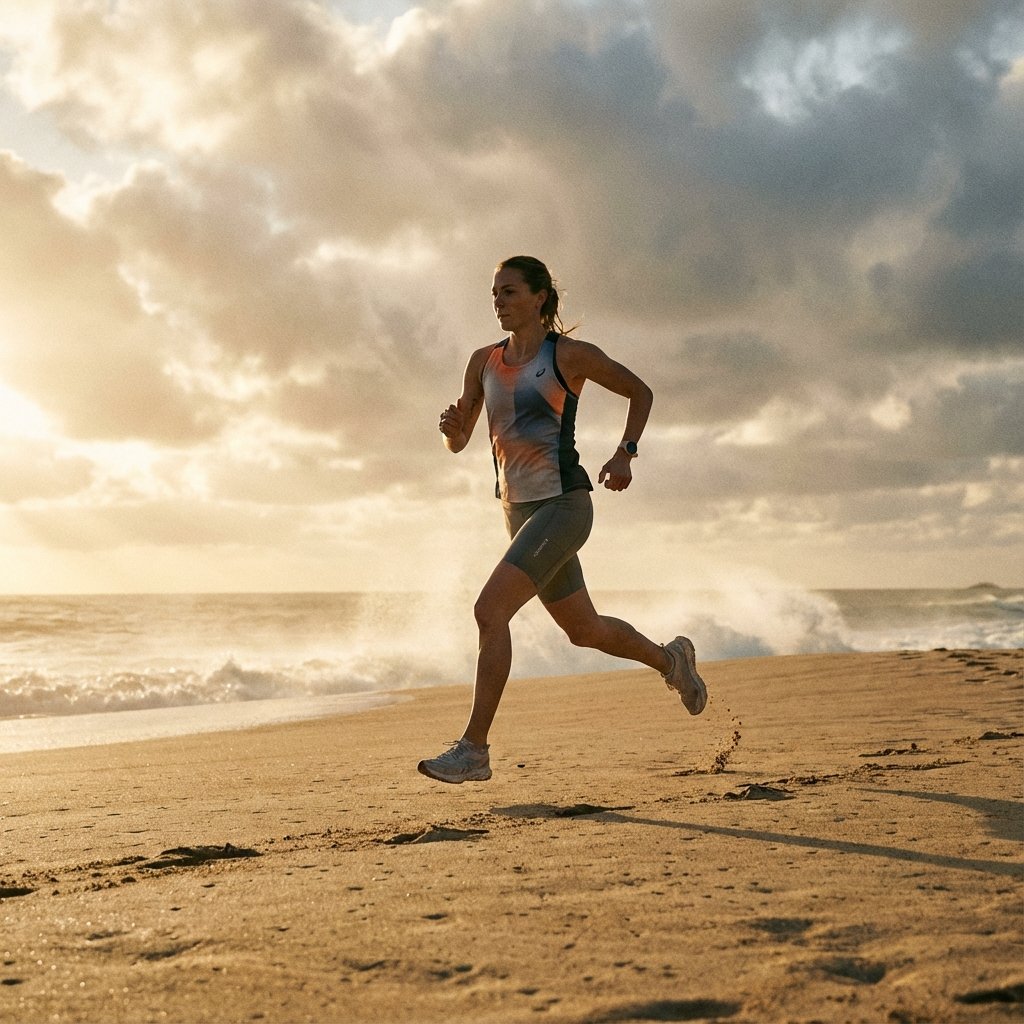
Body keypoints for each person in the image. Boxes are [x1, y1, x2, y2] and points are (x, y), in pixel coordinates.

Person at [417, 255, 707, 784]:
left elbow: (640, 392)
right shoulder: (483, 361)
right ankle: (672, 661)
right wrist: (450, 428)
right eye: (494, 293)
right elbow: (458, 442)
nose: (498, 302)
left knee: (489, 611)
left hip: (564, 506)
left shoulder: (569, 356)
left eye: (508, 292)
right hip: (517, 512)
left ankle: (474, 750)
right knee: (584, 630)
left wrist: (626, 453)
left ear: (539, 298)